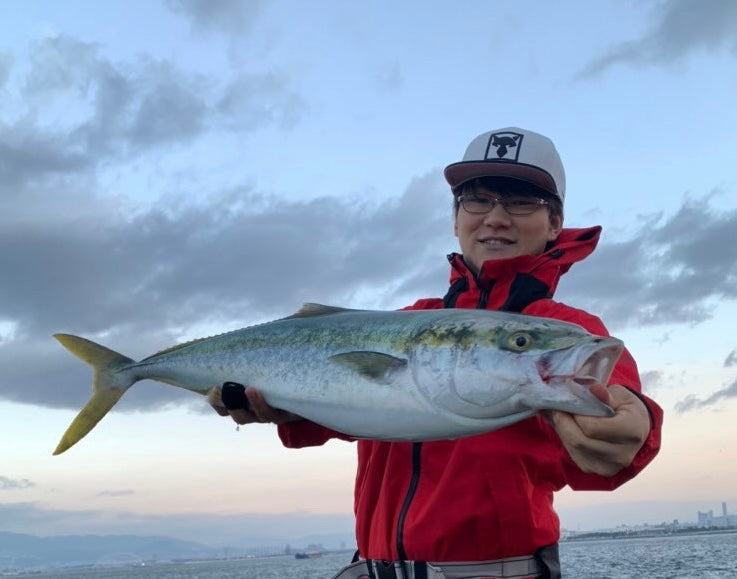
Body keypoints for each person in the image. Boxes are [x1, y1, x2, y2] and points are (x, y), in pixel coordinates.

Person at [209, 127, 663, 579]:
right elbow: (353, 402)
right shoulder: (409, 320)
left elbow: (616, 405)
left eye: (522, 202)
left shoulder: (570, 334)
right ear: (455, 219)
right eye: (478, 199)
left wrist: (633, 425)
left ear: (555, 224)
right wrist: (282, 407)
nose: (496, 217)